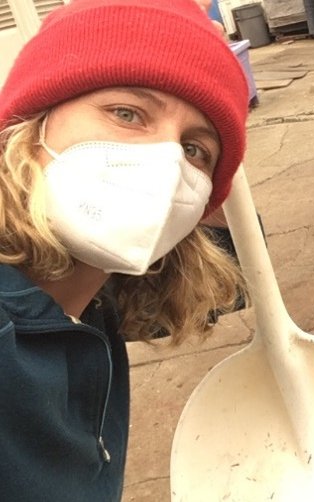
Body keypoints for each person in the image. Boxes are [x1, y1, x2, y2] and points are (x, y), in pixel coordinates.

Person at [0, 0, 249, 499]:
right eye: (127, 113)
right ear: (30, 129)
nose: (164, 163)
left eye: (194, 148)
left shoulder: (92, 305)